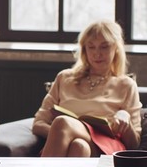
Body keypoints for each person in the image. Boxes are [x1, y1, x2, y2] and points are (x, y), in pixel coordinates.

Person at [32, 20, 142, 157]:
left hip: (107, 146)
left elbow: (134, 143)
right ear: (84, 50)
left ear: (116, 49)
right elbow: (38, 124)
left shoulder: (126, 84)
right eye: (91, 47)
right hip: (75, 145)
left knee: (62, 122)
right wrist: (63, 134)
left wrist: (126, 121)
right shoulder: (64, 78)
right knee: (78, 146)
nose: (97, 53)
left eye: (104, 47)